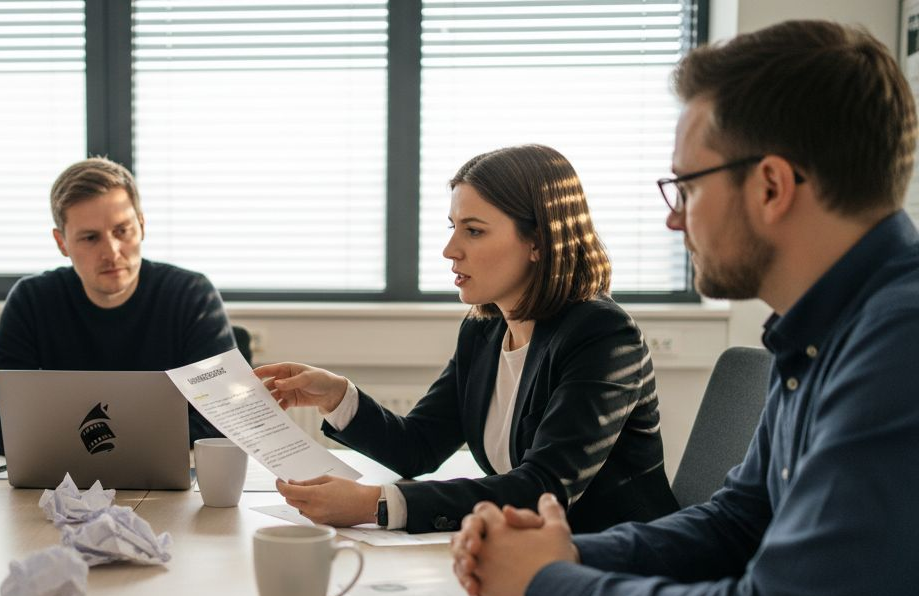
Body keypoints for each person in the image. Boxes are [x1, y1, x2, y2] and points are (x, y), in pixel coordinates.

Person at [452, 20, 919, 596]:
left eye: (687, 186)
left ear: (770, 186)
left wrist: (545, 586)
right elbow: (738, 523)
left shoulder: (900, 346)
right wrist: (565, 552)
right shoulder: (825, 330)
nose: (673, 217)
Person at [254, 145, 678, 534]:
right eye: (453, 227)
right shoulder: (484, 331)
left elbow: (543, 488)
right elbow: (418, 448)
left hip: (616, 559)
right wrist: (337, 396)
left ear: (537, 241)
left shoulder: (602, 334)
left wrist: (375, 504)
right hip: (530, 551)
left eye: (473, 231)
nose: (450, 249)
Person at [0, 157, 235, 454]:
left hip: (164, 476)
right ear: (62, 243)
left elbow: (227, 415)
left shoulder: (191, 295)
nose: (111, 252)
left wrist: (88, 440)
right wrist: (111, 443)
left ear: (141, 225)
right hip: (64, 477)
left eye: (122, 231)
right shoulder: (33, 300)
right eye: (90, 238)